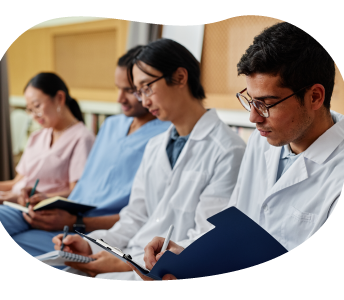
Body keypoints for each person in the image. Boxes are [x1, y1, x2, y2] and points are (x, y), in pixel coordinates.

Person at [136, 21, 344, 281]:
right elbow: (234, 238)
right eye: (250, 100)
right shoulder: (263, 142)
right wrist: (187, 258)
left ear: (315, 97)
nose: (253, 117)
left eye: (266, 104)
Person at [52, 38, 246, 281]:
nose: (143, 101)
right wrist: (90, 246)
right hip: (132, 260)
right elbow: (134, 217)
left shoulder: (228, 150)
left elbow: (206, 239)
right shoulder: (156, 146)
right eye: (139, 91)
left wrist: (126, 265)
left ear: (180, 77)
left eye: (147, 87)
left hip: (169, 273)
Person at [0, 46, 171, 256]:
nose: (119, 99)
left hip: (92, 229)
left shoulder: (164, 137)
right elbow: (83, 189)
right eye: (118, 89)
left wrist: (76, 221)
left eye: (130, 90)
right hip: (66, 215)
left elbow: (144, 215)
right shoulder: (111, 126)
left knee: (4, 244)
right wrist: (46, 199)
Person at [0, 72, 95, 204]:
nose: (34, 116)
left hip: (36, 210)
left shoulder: (82, 139)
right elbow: (17, 183)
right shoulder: (37, 136)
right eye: (30, 110)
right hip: (15, 204)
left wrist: (27, 199)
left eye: (37, 106)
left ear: (60, 98)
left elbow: (77, 192)